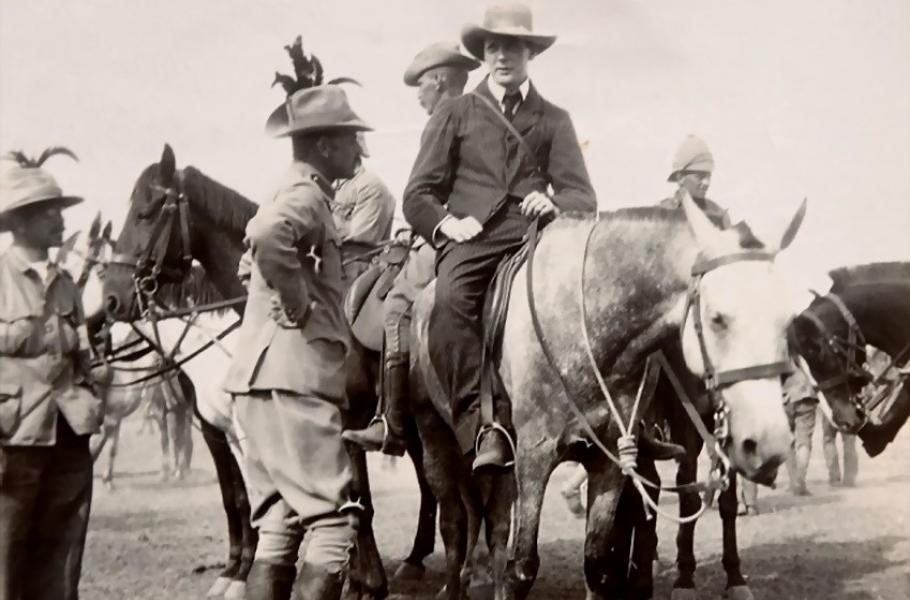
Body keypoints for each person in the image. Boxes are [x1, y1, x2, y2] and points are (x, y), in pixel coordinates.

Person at [402, 3, 597, 472]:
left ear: (530, 53)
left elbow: (582, 196)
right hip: (473, 237)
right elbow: (418, 194)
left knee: (590, 298)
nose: (502, 56)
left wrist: (553, 204)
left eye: (512, 47)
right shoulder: (456, 112)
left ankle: (604, 419)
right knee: (448, 304)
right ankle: (483, 426)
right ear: (484, 54)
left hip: (537, 234)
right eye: (493, 47)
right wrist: (447, 224)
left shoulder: (554, 119)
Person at [223, 84, 370, 600]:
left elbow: (249, 265)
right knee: (333, 522)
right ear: (324, 145)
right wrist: (298, 302)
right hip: (297, 380)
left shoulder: (285, 189)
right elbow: (267, 235)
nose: (359, 148)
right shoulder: (306, 195)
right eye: (350, 139)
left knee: (279, 522)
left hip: (259, 381)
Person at [342, 41, 480, 455]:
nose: (419, 95)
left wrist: (426, 228)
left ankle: (392, 420)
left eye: (421, 85)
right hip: (476, 230)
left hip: (454, 237)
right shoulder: (483, 113)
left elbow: (430, 195)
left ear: (438, 81)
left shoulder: (444, 118)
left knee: (397, 305)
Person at [0, 149, 103, 600]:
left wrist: (91, 398)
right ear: (18, 221)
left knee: (62, 562)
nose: (59, 219)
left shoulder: (65, 285)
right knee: (6, 560)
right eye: (47, 211)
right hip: (13, 441)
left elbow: (82, 356)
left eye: (59, 210)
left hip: (69, 438)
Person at [738, 364, 819, 514]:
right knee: (803, 441)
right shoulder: (797, 354)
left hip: (778, 399)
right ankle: (798, 481)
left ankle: (749, 503)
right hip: (806, 394)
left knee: (752, 446)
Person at [331, 132, 396, 282]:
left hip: (353, 270)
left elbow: (359, 243)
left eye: (335, 147)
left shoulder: (370, 186)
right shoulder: (330, 185)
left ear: (353, 149)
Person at [821, 412, 858, 487]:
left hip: (829, 410)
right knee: (849, 443)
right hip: (848, 411)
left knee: (829, 441)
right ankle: (849, 478)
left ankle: (834, 477)